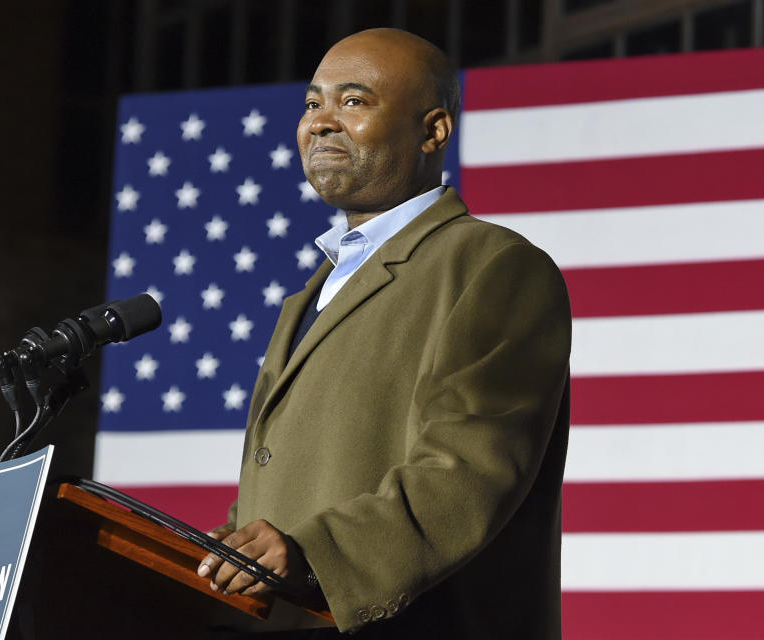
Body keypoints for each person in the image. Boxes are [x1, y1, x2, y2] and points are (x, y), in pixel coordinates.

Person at [198, 28, 571, 639]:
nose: (320, 122)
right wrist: (235, 547)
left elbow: (469, 471)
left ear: (433, 131)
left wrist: (314, 553)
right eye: (313, 102)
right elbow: (287, 484)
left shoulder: (492, 266)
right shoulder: (307, 297)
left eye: (353, 101)